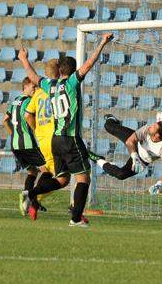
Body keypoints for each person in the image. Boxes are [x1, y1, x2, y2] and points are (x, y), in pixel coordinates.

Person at [19, 33, 114, 227]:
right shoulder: (72, 82)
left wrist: (24, 60)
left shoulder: (50, 85)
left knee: (62, 180)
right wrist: (102, 43)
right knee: (83, 178)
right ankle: (76, 218)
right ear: (72, 72)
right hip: (70, 138)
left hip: (55, 140)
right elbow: (89, 63)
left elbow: (34, 77)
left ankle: (32, 193)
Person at [89, 113, 162, 194]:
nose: (150, 126)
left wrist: (159, 184)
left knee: (120, 175)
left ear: (157, 136)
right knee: (108, 126)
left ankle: (98, 159)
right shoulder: (146, 129)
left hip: (142, 160)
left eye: (154, 127)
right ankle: (112, 118)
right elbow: (130, 141)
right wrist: (134, 157)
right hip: (135, 142)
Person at [3, 78, 49, 215]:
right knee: (48, 171)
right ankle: (33, 198)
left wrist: (13, 133)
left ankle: (27, 200)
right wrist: (37, 131)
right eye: (33, 87)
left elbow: (4, 119)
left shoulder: (15, 101)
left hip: (15, 144)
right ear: (26, 86)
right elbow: (30, 117)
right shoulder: (29, 101)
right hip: (28, 144)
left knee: (32, 172)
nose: (35, 89)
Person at [24, 58, 59, 210]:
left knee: (50, 173)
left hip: (42, 139)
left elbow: (27, 115)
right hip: (56, 138)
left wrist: (36, 130)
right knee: (61, 177)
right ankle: (33, 197)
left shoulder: (39, 92)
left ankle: (34, 199)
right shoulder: (59, 88)